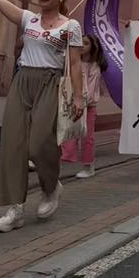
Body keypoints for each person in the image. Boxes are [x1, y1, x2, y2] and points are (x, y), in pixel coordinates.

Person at [0, 0, 83, 233]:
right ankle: (15, 210)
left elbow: (75, 64)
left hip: (50, 83)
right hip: (22, 81)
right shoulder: (28, 19)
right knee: (13, 144)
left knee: (38, 144)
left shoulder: (70, 26)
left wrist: (78, 97)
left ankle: (50, 187)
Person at [61, 33, 107, 178]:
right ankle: (65, 158)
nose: (81, 46)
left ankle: (88, 166)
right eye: (80, 42)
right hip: (72, 104)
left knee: (87, 137)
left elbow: (91, 90)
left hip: (88, 106)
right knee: (66, 132)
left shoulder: (94, 67)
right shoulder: (74, 63)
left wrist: (82, 102)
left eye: (86, 43)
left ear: (93, 48)